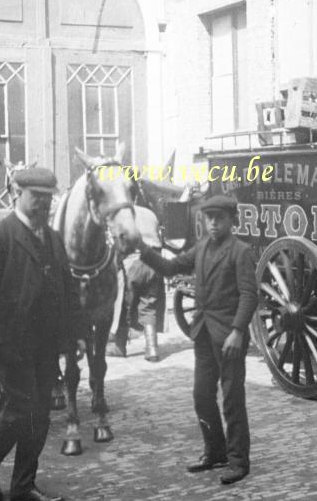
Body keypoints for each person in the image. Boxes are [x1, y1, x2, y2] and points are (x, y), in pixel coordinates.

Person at [0, 167, 84, 501]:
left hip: (46, 344)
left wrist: (76, 334)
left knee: (40, 414)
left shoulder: (53, 238)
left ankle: (23, 486)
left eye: (48, 198)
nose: (43, 204)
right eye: (37, 197)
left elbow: (68, 290)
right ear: (17, 193)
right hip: (11, 343)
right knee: (23, 408)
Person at [137, 195, 257, 484]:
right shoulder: (201, 247)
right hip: (203, 333)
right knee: (202, 396)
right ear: (203, 220)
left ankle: (239, 461)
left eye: (220, 218)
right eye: (209, 217)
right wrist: (140, 248)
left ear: (232, 221)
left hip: (229, 338)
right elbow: (170, 267)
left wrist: (238, 331)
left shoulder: (240, 252)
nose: (213, 223)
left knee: (232, 399)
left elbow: (249, 295)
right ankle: (215, 451)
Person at [107, 206, 165, 361]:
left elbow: (120, 244)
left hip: (134, 263)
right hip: (155, 263)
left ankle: (120, 346)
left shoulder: (122, 215)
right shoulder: (150, 213)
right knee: (149, 305)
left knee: (124, 306)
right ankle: (152, 349)